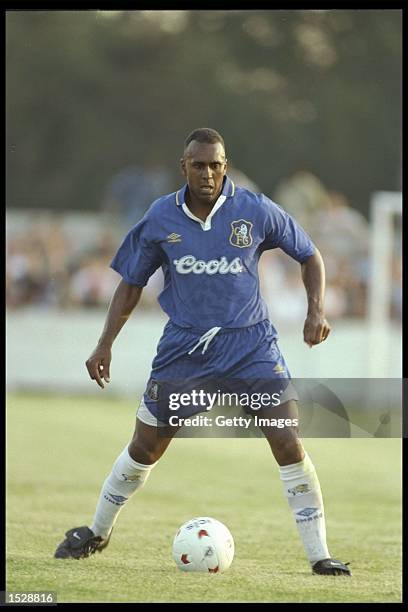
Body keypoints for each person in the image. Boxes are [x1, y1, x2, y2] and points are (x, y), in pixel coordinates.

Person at [54, 128, 351, 576]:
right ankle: (96, 531)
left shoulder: (253, 208)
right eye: (199, 165)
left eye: (216, 165)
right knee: (146, 446)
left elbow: (310, 255)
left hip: (251, 347)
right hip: (185, 351)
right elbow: (131, 284)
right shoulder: (159, 218)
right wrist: (104, 343)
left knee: (288, 442)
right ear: (185, 167)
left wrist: (316, 311)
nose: (208, 173)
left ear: (225, 166)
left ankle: (319, 556)